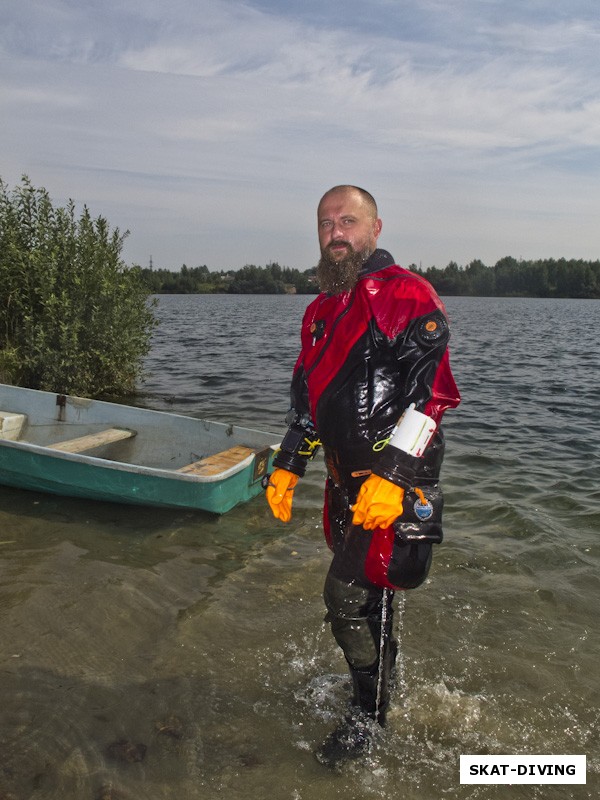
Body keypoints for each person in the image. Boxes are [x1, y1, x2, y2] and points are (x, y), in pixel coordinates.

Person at [265, 185, 460, 766]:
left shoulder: (407, 294)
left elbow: (433, 398)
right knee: (369, 601)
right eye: (326, 224)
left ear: (376, 227)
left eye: (348, 221)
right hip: (344, 483)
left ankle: (368, 721)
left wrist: (395, 474)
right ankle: (376, 694)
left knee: (346, 597)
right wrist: (288, 463)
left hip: (394, 482)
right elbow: (308, 398)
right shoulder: (320, 309)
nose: (336, 234)